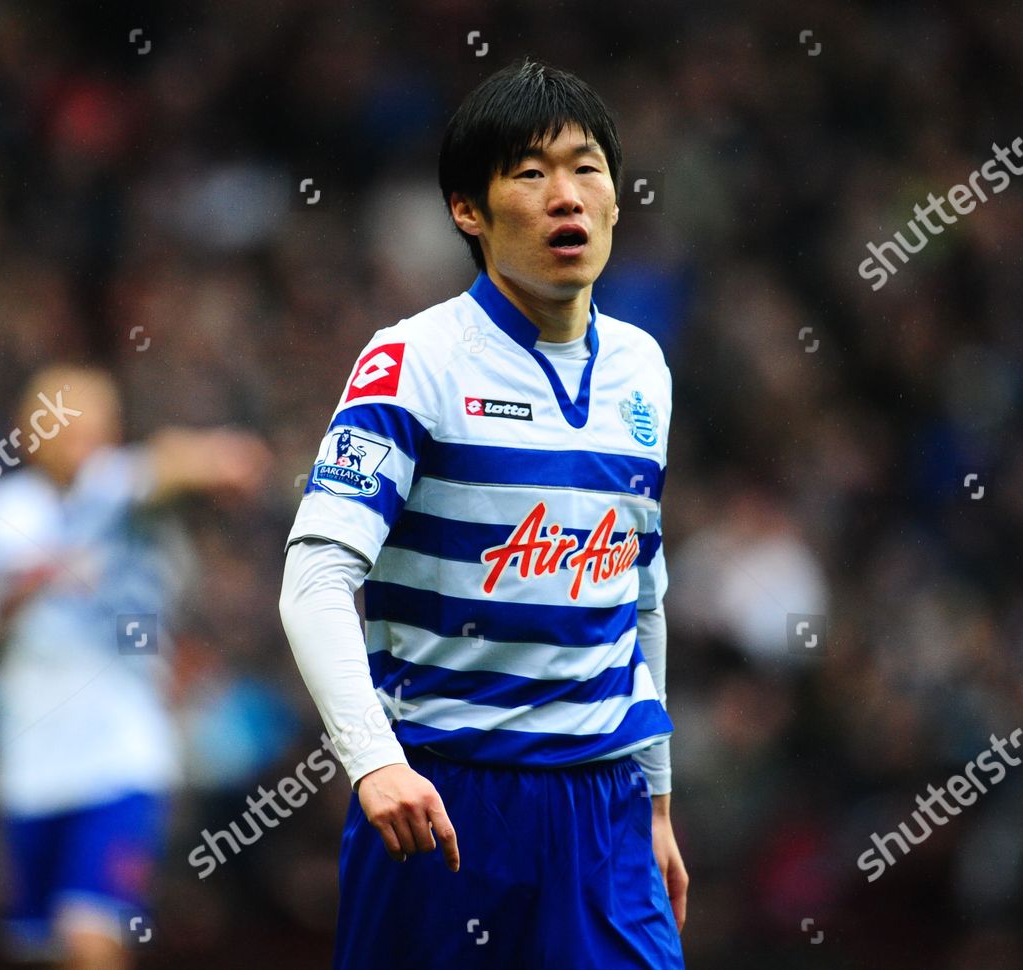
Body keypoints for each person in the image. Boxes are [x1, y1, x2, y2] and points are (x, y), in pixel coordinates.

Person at [279, 57, 687, 968]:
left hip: (605, 810)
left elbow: (640, 592)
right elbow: (313, 580)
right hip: (448, 804)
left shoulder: (643, 371)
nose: (566, 196)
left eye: (587, 168)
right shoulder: (412, 360)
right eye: (530, 173)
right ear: (470, 208)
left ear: (618, 198)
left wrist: (656, 801)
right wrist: (374, 761)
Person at [0, 364, 269, 970]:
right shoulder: (3, 514)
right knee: (39, 948)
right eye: (67, 421)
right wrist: (11, 602)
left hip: (120, 757)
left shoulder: (120, 489)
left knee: (92, 938)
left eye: (95, 421)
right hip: (31, 765)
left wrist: (220, 458)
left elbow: (175, 462)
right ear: (31, 431)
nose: (82, 436)